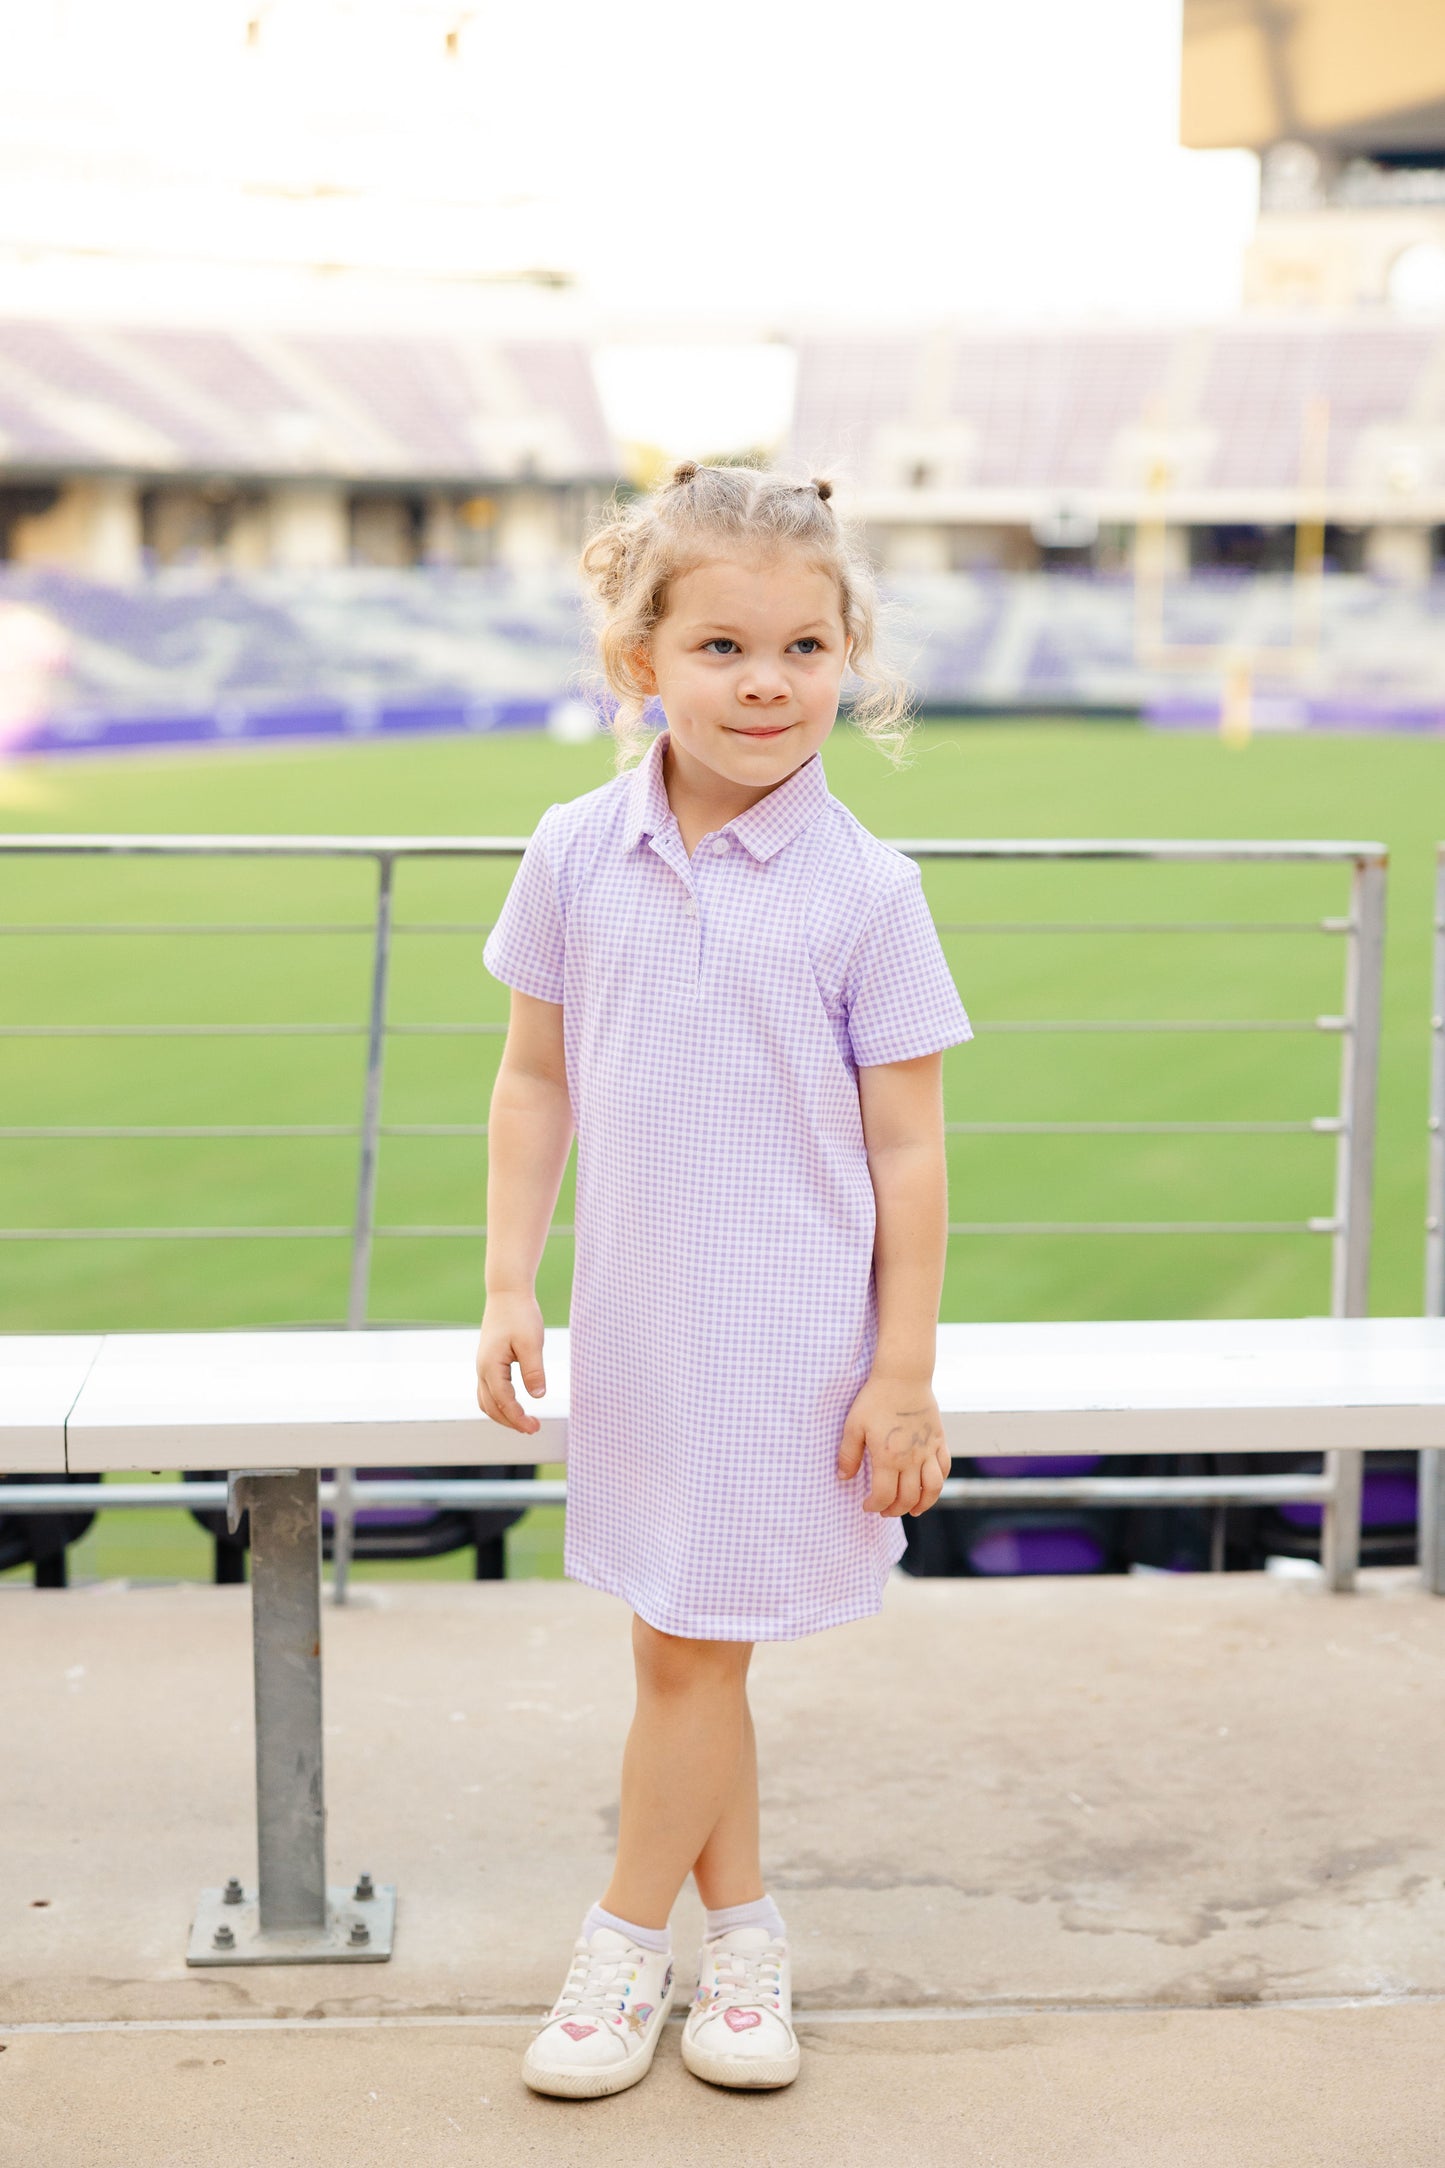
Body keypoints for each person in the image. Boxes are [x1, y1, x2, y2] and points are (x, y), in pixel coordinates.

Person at [475, 461, 972, 2099]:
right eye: (722, 649)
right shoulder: (569, 851)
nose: (767, 683)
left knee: (691, 1651)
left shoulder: (867, 895)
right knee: (682, 1652)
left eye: (804, 650)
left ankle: (624, 1956)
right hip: (637, 1336)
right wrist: (508, 1285)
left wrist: (900, 1372)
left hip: (788, 1350)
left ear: (849, 659)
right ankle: (744, 1942)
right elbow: (533, 1080)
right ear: (642, 663)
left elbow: (908, 1154)